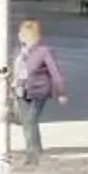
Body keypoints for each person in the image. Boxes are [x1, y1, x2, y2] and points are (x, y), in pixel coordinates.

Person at [16, 19, 69, 164]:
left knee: (31, 120)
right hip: (22, 91)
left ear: (30, 34)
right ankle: (33, 149)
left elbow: (55, 72)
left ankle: (33, 154)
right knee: (27, 122)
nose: (19, 35)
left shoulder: (44, 51)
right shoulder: (22, 52)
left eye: (22, 33)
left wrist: (61, 92)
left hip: (39, 91)